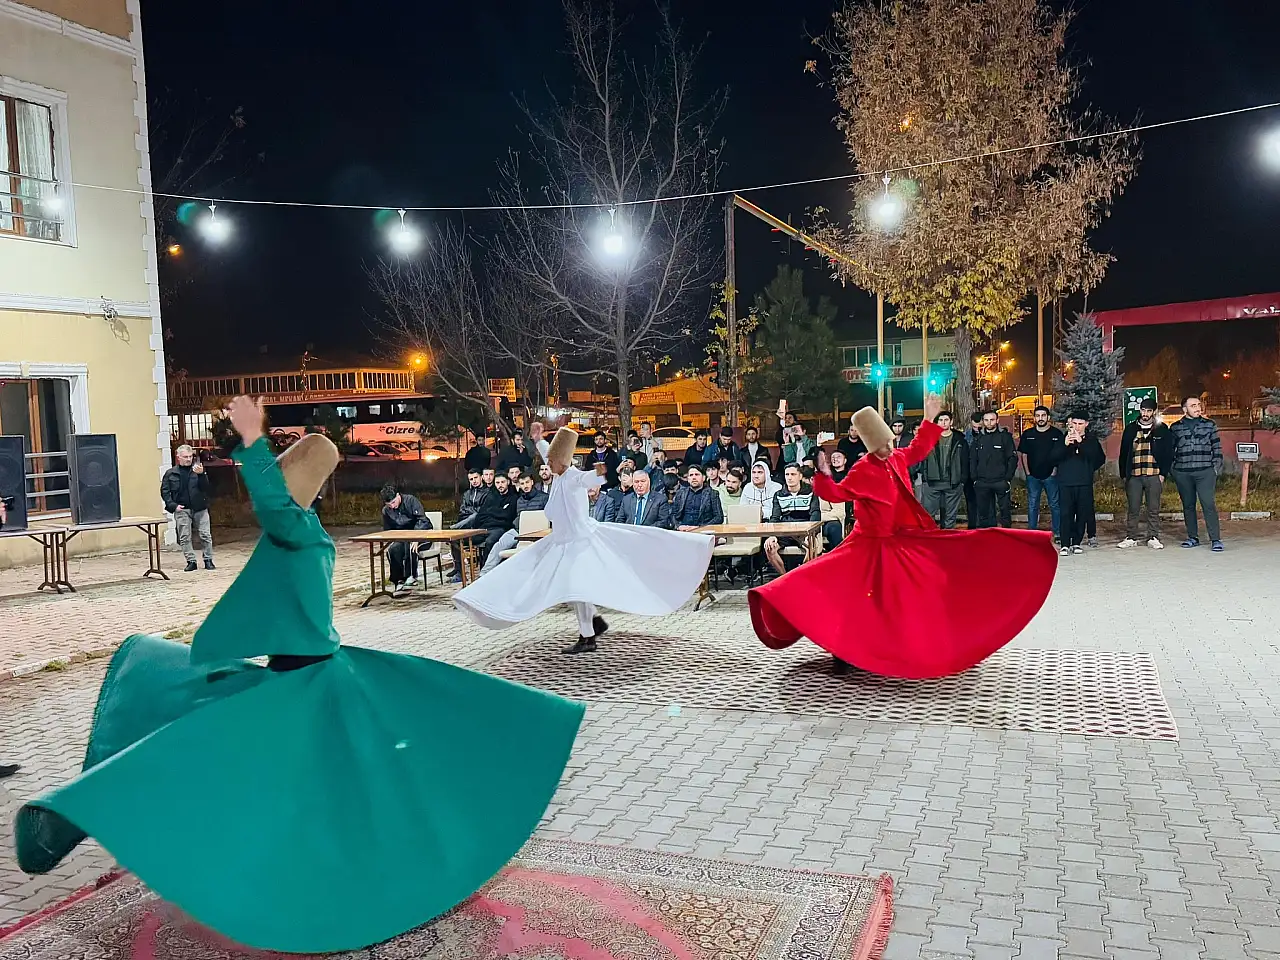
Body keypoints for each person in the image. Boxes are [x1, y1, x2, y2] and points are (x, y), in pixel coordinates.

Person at [13, 395, 583, 954]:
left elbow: (269, 500)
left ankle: (126, 818)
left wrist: (251, 437)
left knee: (196, 728)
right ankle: (334, 858)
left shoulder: (295, 531)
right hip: (316, 672)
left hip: (301, 682)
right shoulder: (310, 533)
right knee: (322, 774)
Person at [747, 396, 1056, 679]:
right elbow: (837, 493)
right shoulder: (862, 470)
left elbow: (918, 449)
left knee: (913, 591)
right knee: (850, 596)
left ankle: (913, 645)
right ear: (870, 447)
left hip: (898, 540)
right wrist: (822, 475)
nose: (890, 449)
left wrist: (930, 419)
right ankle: (844, 651)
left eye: (891, 442)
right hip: (866, 547)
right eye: (883, 446)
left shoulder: (895, 458)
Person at [455, 427, 713, 654]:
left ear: (563, 462)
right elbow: (550, 453)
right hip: (562, 541)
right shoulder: (558, 472)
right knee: (558, 582)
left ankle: (588, 633)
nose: (548, 466)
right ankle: (591, 625)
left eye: (553, 462)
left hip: (579, 542)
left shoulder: (574, 476)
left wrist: (609, 467)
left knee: (577, 586)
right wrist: (538, 439)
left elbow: (596, 476)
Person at [1170, 395, 1224, 551]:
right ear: (1185, 409)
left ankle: (1215, 539)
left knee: (1208, 504)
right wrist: (1174, 469)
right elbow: (1170, 450)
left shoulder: (1209, 425)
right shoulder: (1175, 427)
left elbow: (1217, 448)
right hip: (1183, 472)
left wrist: (1215, 468)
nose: (1198, 408)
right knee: (1188, 505)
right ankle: (1192, 537)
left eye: (1199, 405)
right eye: (1193, 405)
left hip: (1205, 472)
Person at [1118, 397, 1173, 550]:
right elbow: (1123, 453)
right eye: (1143, 410)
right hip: (1134, 474)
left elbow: (1168, 453)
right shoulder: (1130, 429)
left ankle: (1153, 536)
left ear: (1154, 412)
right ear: (1140, 410)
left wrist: (1163, 473)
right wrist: (1124, 474)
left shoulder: (1162, 429)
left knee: (1153, 508)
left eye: (1149, 411)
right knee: (1133, 508)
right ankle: (1131, 536)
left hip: (1154, 474)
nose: (1145, 413)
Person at [1052, 413, 1106, 556]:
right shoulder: (1062, 438)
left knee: (1082, 514)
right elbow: (1052, 457)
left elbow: (1099, 459)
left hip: (1084, 482)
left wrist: (1081, 443)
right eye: (1074, 423)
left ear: (1086, 424)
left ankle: (1076, 542)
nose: (1076, 427)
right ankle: (1065, 544)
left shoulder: (1091, 440)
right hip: (1065, 482)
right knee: (1065, 513)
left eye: (1080, 424)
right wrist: (1065, 445)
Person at [479, 472, 550, 575]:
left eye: (527, 482)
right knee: (499, 545)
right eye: (522, 483)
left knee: (519, 549)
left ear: (532, 482)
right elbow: (517, 517)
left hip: (536, 533)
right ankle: (484, 574)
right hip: (518, 531)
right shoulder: (520, 500)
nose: (525, 486)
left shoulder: (544, 498)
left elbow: (548, 518)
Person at [161, 445, 215, 572]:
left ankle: (208, 560)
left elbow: (207, 488)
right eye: (185, 457)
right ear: (178, 457)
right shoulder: (171, 473)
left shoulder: (198, 470)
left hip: (200, 508)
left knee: (205, 534)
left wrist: (202, 475)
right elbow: (165, 492)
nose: (188, 459)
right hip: (182, 509)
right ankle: (191, 561)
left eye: (190, 456)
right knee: (185, 536)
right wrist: (173, 506)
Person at [763, 463, 822, 577]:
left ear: (800, 476)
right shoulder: (779, 495)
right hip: (785, 531)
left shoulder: (811, 492)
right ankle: (785, 577)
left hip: (805, 531)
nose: (789, 477)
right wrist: (772, 535)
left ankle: (801, 576)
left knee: (812, 545)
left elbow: (815, 515)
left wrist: (810, 532)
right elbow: (775, 517)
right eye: (787, 474)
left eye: (793, 474)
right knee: (769, 547)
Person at [1018, 406, 1064, 541]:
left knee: (1055, 504)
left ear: (1048, 417)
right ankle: (1032, 533)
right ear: (1034, 418)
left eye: (1043, 415)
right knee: (1032, 504)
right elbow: (1024, 454)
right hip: (1033, 477)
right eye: (1037, 416)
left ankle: (1057, 533)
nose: (1040, 418)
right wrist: (1027, 472)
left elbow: (1060, 454)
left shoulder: (1056, 434)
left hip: (1051, 476)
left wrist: (1054, 471)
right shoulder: (1028, 434)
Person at [917, 410, 968, 530]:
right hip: (932, 482)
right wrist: (924, 478)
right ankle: (931, 541)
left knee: (950, 517)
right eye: (940, 420)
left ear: (951, 422)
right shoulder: (928, 439)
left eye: (946, 420)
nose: (943, 423)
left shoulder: (960, 439)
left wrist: (962, 479)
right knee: (928, 515)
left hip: (953, 482)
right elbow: (922, 458)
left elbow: (965, 460)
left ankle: (948, 542)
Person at [379, 483, 433, 593]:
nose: (392, 506)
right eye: (389, 505)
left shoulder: (411, 501)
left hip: (422, 534)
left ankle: (411, 576)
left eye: (393, 502)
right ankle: (399, 580)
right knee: (392, 550)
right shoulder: (386, 511)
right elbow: (389, 531)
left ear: (398, 495)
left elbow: (422, 520)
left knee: (411, 547)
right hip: (403, 537)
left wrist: (416, 538)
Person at [969, 410, 1016, 528]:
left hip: (1001, 481)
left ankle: (1006, 538)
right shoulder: (978, 438)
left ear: (997, 420)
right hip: (982, 482)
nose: (989, 423)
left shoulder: (1005, 437)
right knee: (984, 514)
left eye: (992, 420)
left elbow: (1012, 458)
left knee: (1005, 512)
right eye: (986, 420)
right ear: (983, 422)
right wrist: (975, 478)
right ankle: (987, 539)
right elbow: (973, 459)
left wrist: (1007, 478)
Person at [671, 463, 725, 530]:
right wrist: (678, 526)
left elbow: (719, 518)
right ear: (688, 479)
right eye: (691, 475)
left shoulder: (712, 494)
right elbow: (673, 514)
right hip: (683, 531)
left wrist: (700, 528)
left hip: (703, 532)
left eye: (697, 475)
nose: (694, 477)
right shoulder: (680, 493)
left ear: (703, 478)